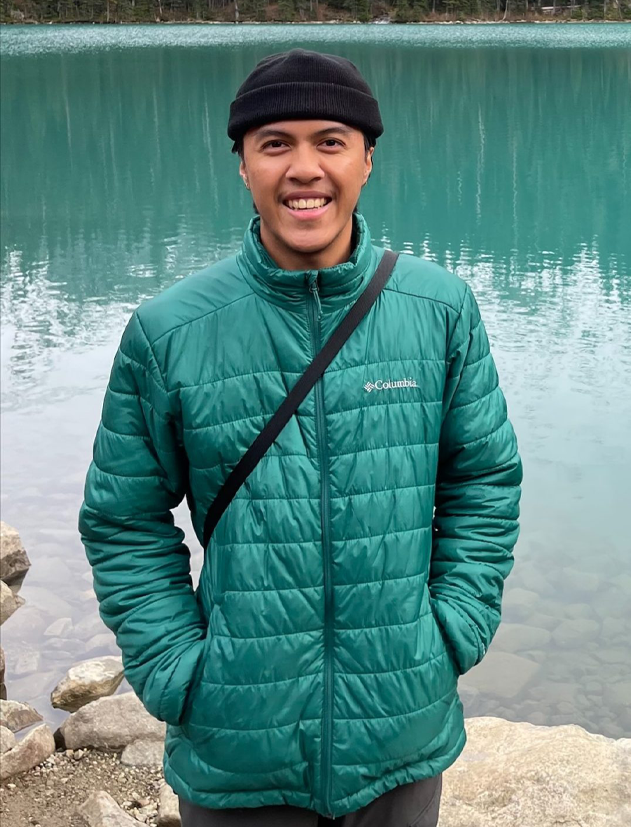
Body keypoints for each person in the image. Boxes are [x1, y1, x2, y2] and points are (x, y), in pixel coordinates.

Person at [79, 47, 522, 827]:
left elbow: (483, 479)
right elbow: (123, 518)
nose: (304, 168)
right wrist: (176, 670)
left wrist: (453, 627)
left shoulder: (439, 308)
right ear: (242, 166)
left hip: (398, 731)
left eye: (330, 141)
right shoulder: (170, 331)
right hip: (235, 743)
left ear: (366, 160)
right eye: (275, 144)